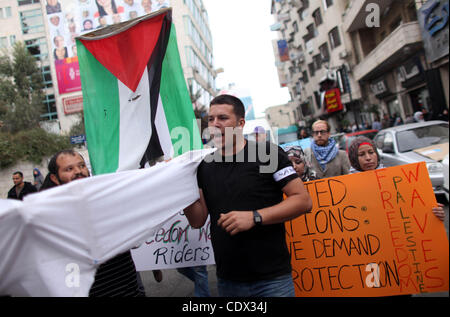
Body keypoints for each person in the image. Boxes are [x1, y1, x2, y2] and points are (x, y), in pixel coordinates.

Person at [183, 94, 312, 297]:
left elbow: (303, 201)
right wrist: (179, 184)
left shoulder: (268, 154)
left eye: (223, 118)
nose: (215, 124)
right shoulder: (204, 167)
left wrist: (254, 217)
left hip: (272, 280)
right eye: (210, 119)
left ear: (241, 123)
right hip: (228, 281)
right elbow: (197, 220)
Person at [41, 149, 146, 297]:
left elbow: (134, 241)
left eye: (82, 166)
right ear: (54, 178)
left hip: (129, 291)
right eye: (69, 169)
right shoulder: (50, 218)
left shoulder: (108, 201)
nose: (78, 171)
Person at [348, 136, 445, 221]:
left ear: (376, 154)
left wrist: (433, 213)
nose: (368, 158)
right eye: (361, 154)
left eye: (371, 152)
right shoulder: (348, 187)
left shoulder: (393, 179)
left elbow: (409, 207)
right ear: (354, 158)